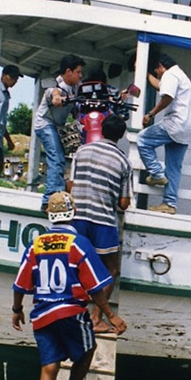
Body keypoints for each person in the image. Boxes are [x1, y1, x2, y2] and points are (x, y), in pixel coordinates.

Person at [11, 192, 127, 380]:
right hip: (71, 312)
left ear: (49, 216)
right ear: (73, 213)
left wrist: (16, 309)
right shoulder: (79, 244)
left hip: (42, 313)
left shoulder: (36, 244)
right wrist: (110, 315)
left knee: (49, 367)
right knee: (88, 350)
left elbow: (20, 283)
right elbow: (96, 286)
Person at [69, 115, 133, 332]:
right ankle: (96, 318)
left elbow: (71, 184)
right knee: (110, 270)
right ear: (121, 136)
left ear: (101, 130)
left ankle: (71, 314)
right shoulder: (124, 162)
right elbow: (124, 203)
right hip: (103, 221)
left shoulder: (82, 151)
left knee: (75, 268)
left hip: (77, 218)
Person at [137, 53, 191, 215]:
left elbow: (167, 96)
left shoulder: (170, 74)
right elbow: (160, 86)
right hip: (188, 128)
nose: (158, 76)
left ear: (160, 66)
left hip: (175, 123)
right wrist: (145, 72)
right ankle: (169, 203)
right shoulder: (180, 75)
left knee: (142, 139)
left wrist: (151, 114)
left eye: (156, 72)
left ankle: (156, 173)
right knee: (174, 167)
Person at [35, 54, 85, 210]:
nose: (80, 75)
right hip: (45, 123)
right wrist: (59, 99)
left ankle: (57, 193)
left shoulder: (76, 88)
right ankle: (49, 200)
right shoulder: (56, 86)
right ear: (68, 71)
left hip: (58, 126)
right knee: (56, 158)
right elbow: (55, 96)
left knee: (61, 159)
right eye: (78, 72)